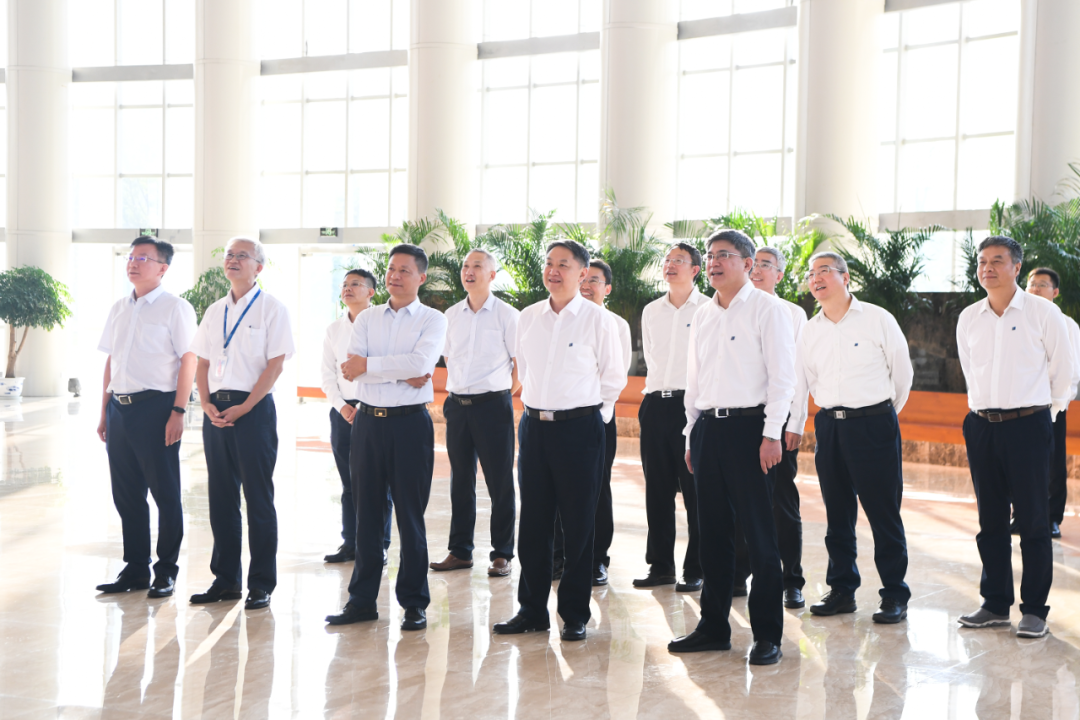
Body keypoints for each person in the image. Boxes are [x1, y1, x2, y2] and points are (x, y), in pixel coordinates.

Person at [668, 229, 793, 666]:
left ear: (747, 263)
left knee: (759, 537)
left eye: (724, 255)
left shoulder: (767, 309)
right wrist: (691, 433)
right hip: (708, 431)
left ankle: (767, 635)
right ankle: (713, 628)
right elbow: (694, 379)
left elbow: (783, 378)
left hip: (750, 431)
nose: (714, 262)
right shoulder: (704, 314)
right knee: (712, 535)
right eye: (710, 255)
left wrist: (772, 433)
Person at [492, 240, 624, 642]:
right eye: (549, 263)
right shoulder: (529, 316)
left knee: (579, 523)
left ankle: (574, 614)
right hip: (534, 428)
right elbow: (524, 369)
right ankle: (531, 611)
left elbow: (613, 378)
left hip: (579, 429)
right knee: (533, 522)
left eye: (563, 264)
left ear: (582, 274)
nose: (553, 270)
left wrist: (594, 420)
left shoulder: (598, 320)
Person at [786, 251, 914, 624]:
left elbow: (902, 375)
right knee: (837, 513)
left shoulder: (877, 318)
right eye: (811, 273)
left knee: (883, 513)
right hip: (830, 426)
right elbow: (804, 381)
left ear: (845, 277)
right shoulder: (810, 330)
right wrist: (798, 424)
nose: (816, 278)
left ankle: (894, 594)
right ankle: (842, 589)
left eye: (824, 271)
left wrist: (882, 415)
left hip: (873, 424)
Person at [325, 244, 447, 631]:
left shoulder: (432, 319)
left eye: (404, 270)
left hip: (410, 425)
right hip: (367, 423)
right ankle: (361, 601)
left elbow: (420, 365)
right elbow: (350, 369)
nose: (395, 275)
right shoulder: (367, 318)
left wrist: (373, 366)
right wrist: (399, 372)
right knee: (367, 517)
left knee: (410, 516)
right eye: (392, 269)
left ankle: (414, 603)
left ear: (421, 277)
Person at [956, 236, 1072, 639]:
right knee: (990, 520)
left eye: (997, 261)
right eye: (982, 261)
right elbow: (970, 370)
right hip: (981, 426)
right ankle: (994, 603)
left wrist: (1045, 416)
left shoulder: (1043, 313)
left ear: (1017, 267)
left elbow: (1064, 372)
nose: (987, 268)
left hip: (1028, 425)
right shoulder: (969, 317)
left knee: (1033, 520)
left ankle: (1035, 610)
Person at [189, 237, 295, 610]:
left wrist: (247, 406)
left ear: (258, 267)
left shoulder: (272, 309)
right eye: (229, 255)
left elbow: (276, 365)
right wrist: (204, 402)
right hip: (215, 411)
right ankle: (226, 580)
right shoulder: (214, 310)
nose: (233, 260)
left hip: (254, 411)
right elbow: (203, 362)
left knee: (258, 498)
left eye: (242, 256)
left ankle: (261, 583)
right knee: (221, 498)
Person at [95, 236, 198, 598]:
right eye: (131, 257)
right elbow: (112, 360)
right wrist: (104, 411)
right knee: (126, 494)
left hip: (157, 408)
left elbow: (189, 359)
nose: (133, 263)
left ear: (163, 268)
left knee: (164, 492)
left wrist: (178, 411)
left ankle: (165, 571)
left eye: (143, 258)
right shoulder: (119, 308)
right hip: (119, 409)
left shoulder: (176, 308)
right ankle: (136, 568)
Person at [430, 248, 520, 578]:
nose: (469, 271)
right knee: (460, 481)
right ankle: (460, 551)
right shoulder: (451, 315)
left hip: (493, 407)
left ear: (492, 275)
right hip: (457, 407)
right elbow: (448, 358)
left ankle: (502, 554)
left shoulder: (508, 315)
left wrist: (499, 395)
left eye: (477, 266)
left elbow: (519, 366)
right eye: (466, 266)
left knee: (500, 482)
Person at [731, 245, 809, 609]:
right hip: (738, 423)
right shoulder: (731, 309)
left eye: (767, 265)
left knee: (781, 503)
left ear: (779, 275)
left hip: (777, 422)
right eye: (755, 264)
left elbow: (797, 374)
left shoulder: (791, 313)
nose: (758, 270)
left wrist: (795, 422)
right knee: (738, 502)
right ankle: (739, 573)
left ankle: (791, 580)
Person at [633, 243, 708, 593]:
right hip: (655, 405)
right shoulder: (651, 310)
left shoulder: (709, 308)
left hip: (691, 406)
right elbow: (652, 357)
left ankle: (696, 568)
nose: (670, 265)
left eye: (679, 260)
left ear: (695, 269)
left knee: (695, 492)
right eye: (667, 260)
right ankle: (660, 566)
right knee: (658, 490)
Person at [320, 268, 392, 565]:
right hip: (342, 412)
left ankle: (379, 545)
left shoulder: (381, 325)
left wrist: (362, 405)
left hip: (374, 409)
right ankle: (350, 543)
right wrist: (341, 406)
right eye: (344, 285)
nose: (347, 289)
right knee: (349, 483)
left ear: (371, 292)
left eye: (355, 284)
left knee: (378, 483)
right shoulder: (334, 329)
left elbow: (385, 367)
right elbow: (327, 375)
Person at [569, 258, 630, 586]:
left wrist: (600, 416)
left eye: (594, 280)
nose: (587, 285)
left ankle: (597, 560)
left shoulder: (616, 324)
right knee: (559, 488)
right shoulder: (562, 318)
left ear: (607, 289)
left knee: (597, 487)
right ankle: (561, 557)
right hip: (561, 416)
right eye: (583, 279)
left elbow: (615, 377)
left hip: (598, 416)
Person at [1024, 267, 1080, 539]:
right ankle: (1021, 515)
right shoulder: (1016, 321)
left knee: (1053, 463)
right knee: (1020, 462)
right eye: (1032, 284)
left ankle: (1051, 518)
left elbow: (1073, 371)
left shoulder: (1067, 325)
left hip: (1051, 405)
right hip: (1019, 405)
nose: (1035, 289)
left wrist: (1059, 404)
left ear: (1055, 292)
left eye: (1042, 284)